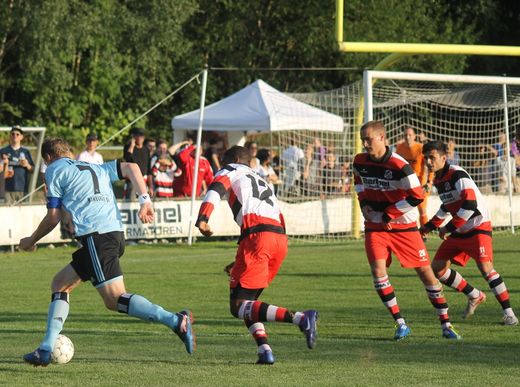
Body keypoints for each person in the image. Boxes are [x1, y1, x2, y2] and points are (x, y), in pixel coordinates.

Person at [19, 138, 195, 367]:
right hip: (113, 235)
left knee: (114, 299)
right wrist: (145, 201)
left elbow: (53, 216)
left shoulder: (53, 169)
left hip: (96, 237)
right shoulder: (95, 166)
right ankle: (45, 348)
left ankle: (175, 321)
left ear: (48, 158)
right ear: (70, 153)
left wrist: (31, 240)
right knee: (60, 284)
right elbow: (132, 167)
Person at [196, 145, 318, 365]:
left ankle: (301, 318)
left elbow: (215, 189)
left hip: (257, 237)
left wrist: (202, 219)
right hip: (277, 239)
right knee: (248, 302)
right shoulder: (262, 180)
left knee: (238, 307)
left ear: (231, 159)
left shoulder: (231, 169)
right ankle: (264, 350)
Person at [353, 121, 460, 341]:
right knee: (378, 273)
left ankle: (446, 324)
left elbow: (417, 195)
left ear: (382, 138)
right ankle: (400, 323)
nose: (364, 144)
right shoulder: (359, 161)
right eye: (362, 139)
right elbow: (358, 183)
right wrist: (363, 202)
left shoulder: (399, 164)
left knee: (426, 274)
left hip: (405, 227)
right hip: (376, 228)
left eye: (368, 139)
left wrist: (389, 213)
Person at [420, 140, 518, 326]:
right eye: (426, 158)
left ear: (443, 157)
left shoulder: (457, 174)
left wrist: (448, 228)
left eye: (432, 157)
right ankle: (474, 295)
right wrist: (426, 228)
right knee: (437, 269)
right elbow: (446, 206)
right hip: (461, 228)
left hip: (478, 226)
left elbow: (471, 205)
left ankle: (509, 314)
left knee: (486, 269)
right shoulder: (439, 179)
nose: (428, 162)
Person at [395, 127, 433, 227]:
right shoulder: (399, 147)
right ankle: (406, 231)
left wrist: (429, 182)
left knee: (422, 209)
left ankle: (424, 233)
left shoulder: (421, 148)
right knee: (404, 209)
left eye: (410, 135)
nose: (407, 137)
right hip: (405, 183)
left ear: (414, 136)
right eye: (405, 135)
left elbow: (429, 166)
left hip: (420, 183)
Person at [1, 125, 34, 203]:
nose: (15, 136)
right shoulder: (3, 151)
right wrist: (5, 165)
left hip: (23, 189)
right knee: (8, 213)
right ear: (10, 136)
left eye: (17, 134)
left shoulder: (26, 151)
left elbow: (33, 170)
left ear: (21, 137)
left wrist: (27, 165)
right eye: (12, 134)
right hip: (7, 189)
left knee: (23, 213)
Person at [123, 128, 151, 200]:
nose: (139, 138)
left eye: (141, 136)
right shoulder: (129, 147)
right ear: (134, 137)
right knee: (131, 200)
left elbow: (148, 169)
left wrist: (150, 186)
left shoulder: (146, 149)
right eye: (137, 136)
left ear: (144, 138)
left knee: (144, 201)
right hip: (132, 180)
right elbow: (127, 158)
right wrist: (132, 145)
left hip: (143, 179)